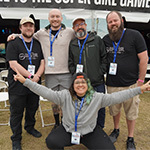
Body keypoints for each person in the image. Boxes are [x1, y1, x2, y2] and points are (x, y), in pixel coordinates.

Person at [14, 70, 150, 150]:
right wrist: (25, 81)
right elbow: (44, 91)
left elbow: (118, 96)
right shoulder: (64, 96)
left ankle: (86, 141)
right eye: (77, 82)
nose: (80, 85)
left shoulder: (97, 98)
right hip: (68, 130)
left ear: (88, 85)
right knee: (51, 142)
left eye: (83, 82)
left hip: (90, 131)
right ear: (73, 86)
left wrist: (140, 89)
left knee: (109, 149)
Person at [7, 9, 75, 129]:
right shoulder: (41, 33)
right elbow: (27, 35)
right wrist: (15, 35)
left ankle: (65, 123)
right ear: (48, 19)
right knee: (54, 101)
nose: (55, 19)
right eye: (52, 16)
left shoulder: (70, 32)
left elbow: (81, 39)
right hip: (50, 74)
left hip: (66, 73)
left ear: (61, 18)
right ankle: (56, 123)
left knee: (66, 100)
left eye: (57, 16)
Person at [103, 11, 149, 150]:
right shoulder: (106, 39)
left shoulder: (134, 35)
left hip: (131, 84)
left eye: (115, 20)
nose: (113, 24)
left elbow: (144, 59)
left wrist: (141, 81)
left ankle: (130, 137)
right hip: (112, 84)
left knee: (131, 113)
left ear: (122, 20)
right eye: (110, 22)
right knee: (114, 111)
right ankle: (116, 130)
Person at [6, 17, 45, 150]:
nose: (28, 28)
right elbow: (13, 63)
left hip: (34, 84)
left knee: (32, 108)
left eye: (31, 26)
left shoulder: (38, 43)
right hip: (17, 85)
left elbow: (42, 62)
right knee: (16, 112)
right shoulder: (13, 42)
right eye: (25, 25)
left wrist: (37, 76)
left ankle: (30, 127)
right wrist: (30, 76)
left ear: (34, 28)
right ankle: (16, 138)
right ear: (20, 28)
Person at [68, 17, 107, 128]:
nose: (79, 27)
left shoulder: (96, 40)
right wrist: (75, 75)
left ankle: (99, 128)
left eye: (82, 24)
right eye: (76, 25)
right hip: (80, 84)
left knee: (100, 106)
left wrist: (100, 73)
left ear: (86, 26)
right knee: (82, 107)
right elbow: (70, 62)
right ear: (73, 29)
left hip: (97, 82)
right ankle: (84, 129)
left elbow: (104, 58)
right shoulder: (73, 44)